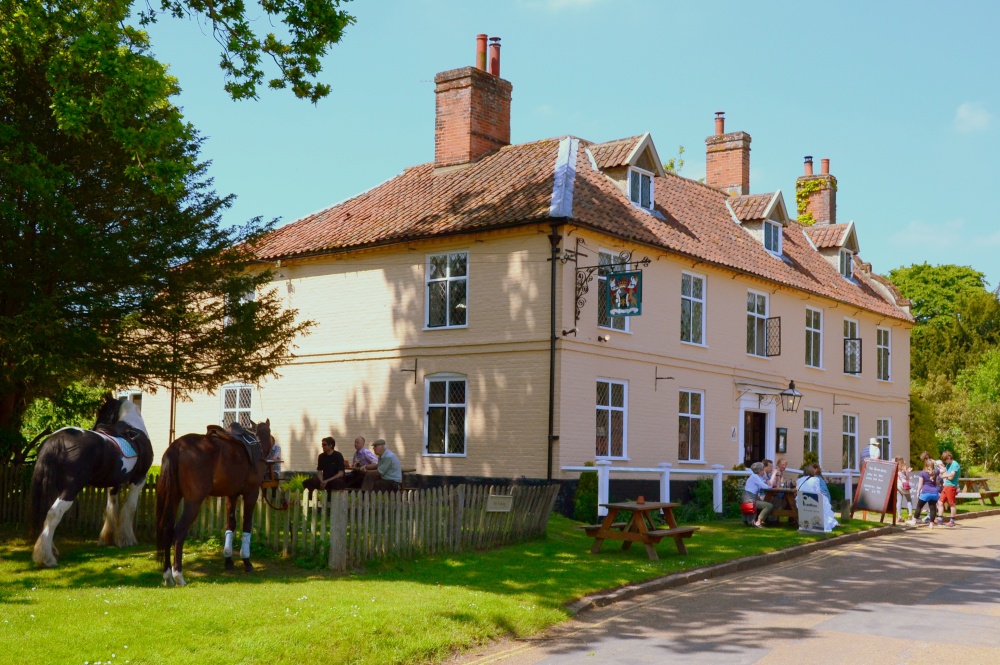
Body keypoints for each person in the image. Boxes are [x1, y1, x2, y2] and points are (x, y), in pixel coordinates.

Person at [798, 463, 839, 530]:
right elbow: (817, 493)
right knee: (825, 503)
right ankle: (828, 522)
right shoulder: (815, 479)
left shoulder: (799, 480)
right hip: (812, 502)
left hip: (801, 501)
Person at [741, 462, 773, 528]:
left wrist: (766, 479)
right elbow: (765, 486)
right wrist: (771, 487)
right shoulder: (755, 477)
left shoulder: (756, 477)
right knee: (769, 506)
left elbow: (765, 484)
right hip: (750, 499)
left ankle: (763, 520)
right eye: (762, 470)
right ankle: (758, 522)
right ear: (759, 470)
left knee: (765, 502)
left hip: (750, 498)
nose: (763, 471)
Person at [911, 458, 940, 527]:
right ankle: (931, 524)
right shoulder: (936, 472)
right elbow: (937, 482)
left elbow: (920, 484)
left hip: (925, 492)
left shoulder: (922, 473)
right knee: (932, 508)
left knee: (919, 507)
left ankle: (914, 521)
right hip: (934, 493)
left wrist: (918, 492)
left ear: (925, 465)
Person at [938, 450, 960, 527]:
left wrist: (944, 476)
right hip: (946, 486)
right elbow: (945, 472)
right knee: (940, 502)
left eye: (946, 459)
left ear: (949, 457)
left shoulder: (955, 465)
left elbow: (951, 477)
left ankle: (952, 520)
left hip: (951, 486)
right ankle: (940, 519)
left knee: (951, 503)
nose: (946, 461)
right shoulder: (948, 465)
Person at [894, 457, 914, 521]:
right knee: (909, 500)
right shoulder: (904, 468)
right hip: (904, 485)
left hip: (898, 485)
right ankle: (910, 514)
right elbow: (907, 478)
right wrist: (907, 471)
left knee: (899, 501)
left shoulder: (895, 468)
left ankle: (899, 516)